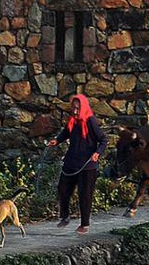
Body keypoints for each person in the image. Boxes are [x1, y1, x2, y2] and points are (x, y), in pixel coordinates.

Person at [47, 94, 107, 234]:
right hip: (71, 161)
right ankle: (65, 216)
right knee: (63, 189)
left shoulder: (90, 121)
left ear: (83, 107)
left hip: (87, 165)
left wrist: (97, 153)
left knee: (85, 195)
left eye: (77, 108)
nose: (74, 111)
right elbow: (66, 133)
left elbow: (103, 139)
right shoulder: (72, 121)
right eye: (73, 108)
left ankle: (84, 224)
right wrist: (57, 140)